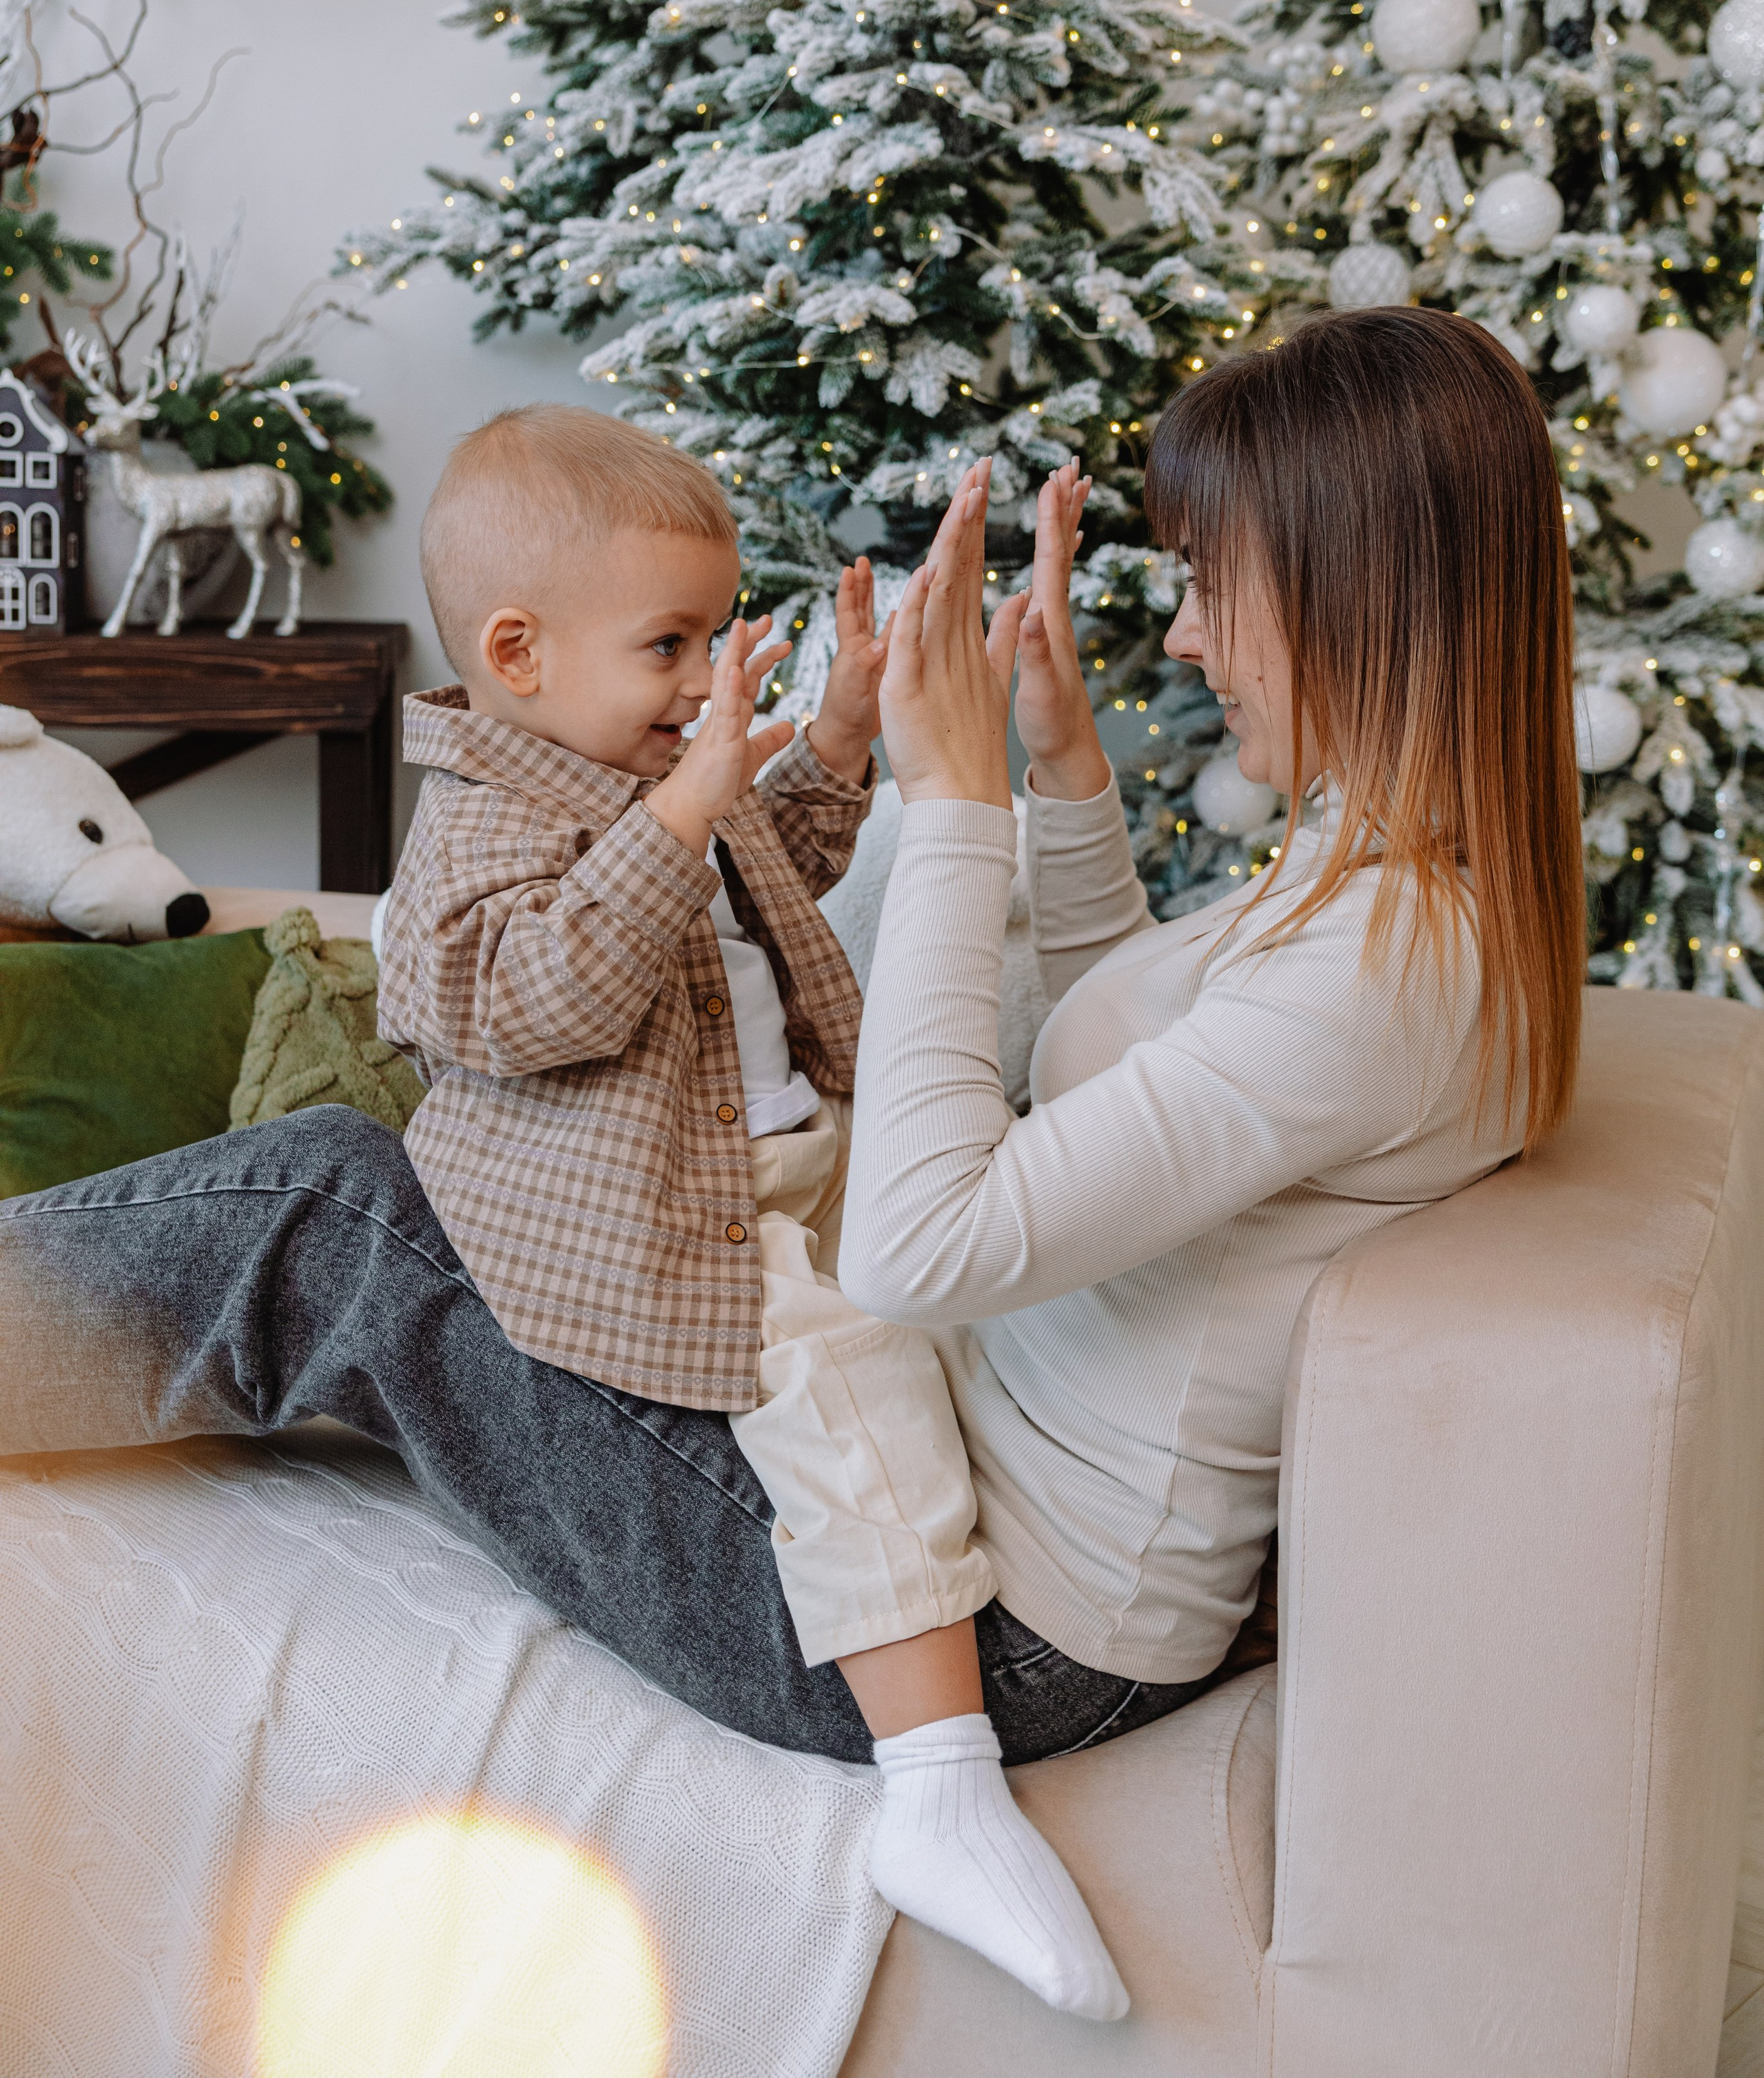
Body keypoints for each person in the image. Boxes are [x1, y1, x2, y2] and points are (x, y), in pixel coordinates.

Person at [0, 307, 1585, 2024]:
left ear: (1349, 587)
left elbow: (917, 1250)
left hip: (975, 1640)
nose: (1187, 636)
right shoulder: (1388, 892)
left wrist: (956, 806)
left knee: (330, 1206)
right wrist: (1054, 769)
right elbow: (1138, 1055)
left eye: (1215, 584)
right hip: (997, 1529)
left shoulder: (1383, 969)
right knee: (370, 1196)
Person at [374, 403, 1125, 2020]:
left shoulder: (650, 769)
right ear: (517, 654)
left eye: (719, 635)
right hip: (649, 1207)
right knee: (837, 1364)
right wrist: (678, 808)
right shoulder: (481, 823)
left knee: (975, 1239)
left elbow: (765, 875)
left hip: (788, 1144)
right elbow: (530, 1004)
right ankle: (935, 1781)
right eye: (669, 644)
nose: (710, 677)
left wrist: (837, 739)